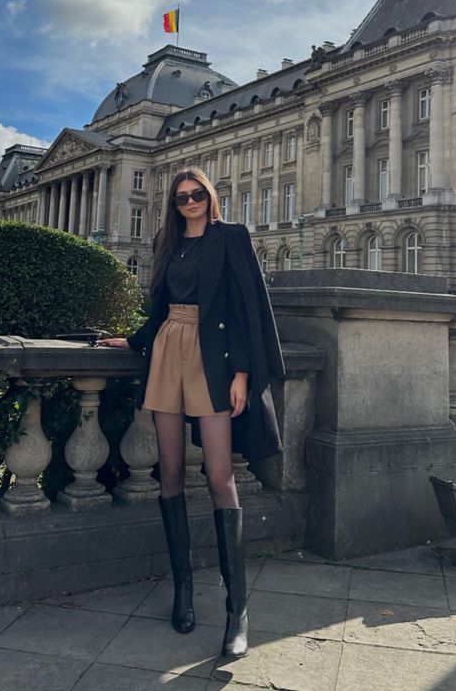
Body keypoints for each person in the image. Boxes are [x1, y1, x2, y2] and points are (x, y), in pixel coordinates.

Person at [99, 167, 285, 659]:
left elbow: (249, 307)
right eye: (181, 198)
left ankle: (236, 609)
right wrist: (134, 339)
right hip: (167, 350)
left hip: (216, 356)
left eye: (197, 194)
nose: (189, 202)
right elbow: (160, 307)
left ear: (210, 195)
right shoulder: (169, 242)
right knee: (172, 474)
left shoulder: (231, 237)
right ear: (173, 204)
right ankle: (183, 589)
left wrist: (243, 371)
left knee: (220, 476)